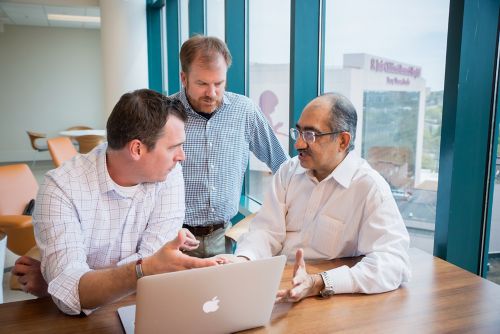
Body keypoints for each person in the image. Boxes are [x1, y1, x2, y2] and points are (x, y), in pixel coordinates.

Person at [12, 89, 223, 315]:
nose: (182, 156)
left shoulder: (170, 174)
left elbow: (72, 290)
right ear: (137, 149)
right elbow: (71, 297)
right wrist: (143, 269)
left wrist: (65, 281)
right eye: (173, 147)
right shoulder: (61, 189)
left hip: (141, 310)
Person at [224, 92, 411, 302]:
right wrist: (243, 259)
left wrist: (319, 282)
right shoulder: (288, 171)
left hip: (328, 297)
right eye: (299, 132)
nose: (298, 145)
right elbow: (267, 231)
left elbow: (394, 264)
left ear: (342, 140)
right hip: (278, 288)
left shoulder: (369, 188)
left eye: (311, 135)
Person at [171, 35, 289, 258]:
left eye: (219, 83)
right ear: (184, 78)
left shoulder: (245, 111)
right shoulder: (164, 115)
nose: (212, 93)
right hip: (175, 238)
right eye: (202, 84)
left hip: (223, 238)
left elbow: (284, 166)